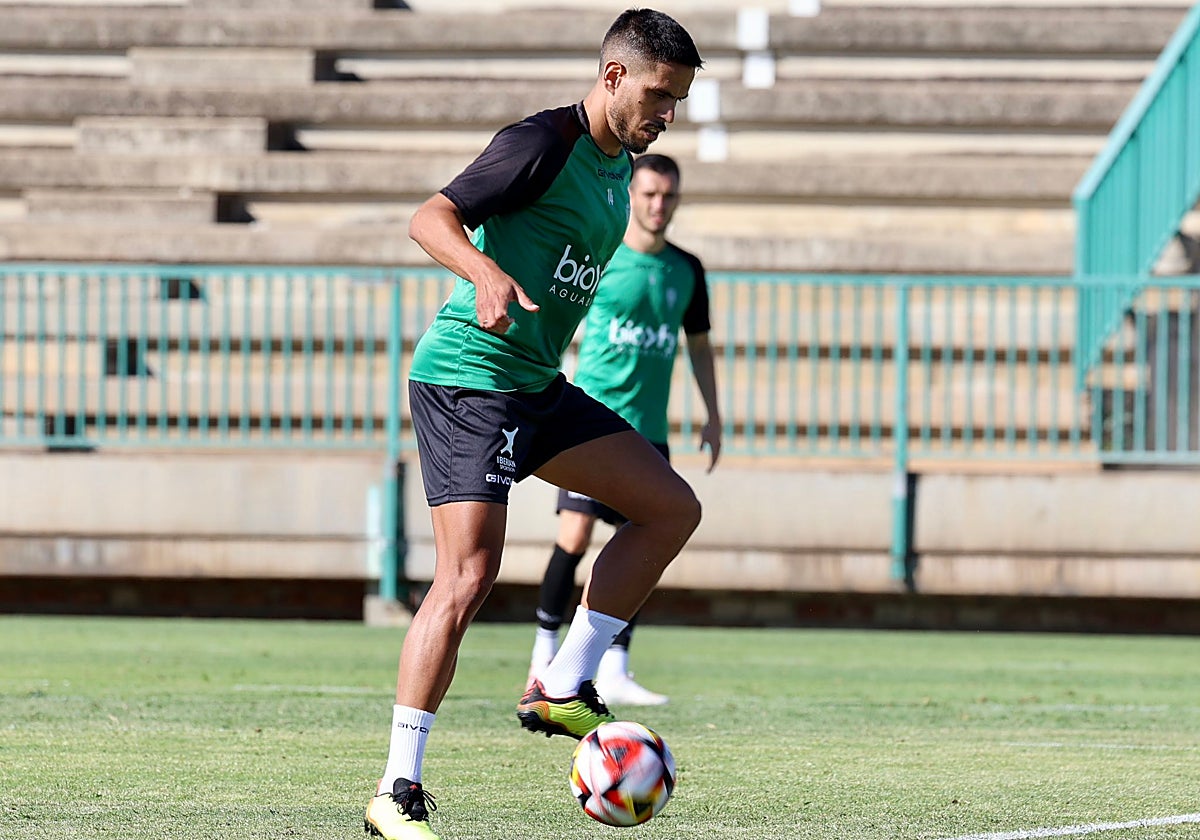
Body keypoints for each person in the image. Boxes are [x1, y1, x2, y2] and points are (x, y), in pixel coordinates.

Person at [363, 9, 704, 840]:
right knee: (467, 577)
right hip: (468, 382)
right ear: (614, 76)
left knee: (671, 507)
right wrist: (482, 272)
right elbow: (430, 216)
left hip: (536, 385)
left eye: (680, 102)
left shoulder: (620, 166)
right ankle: (395, 791)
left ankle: (561, 684)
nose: (668, 114)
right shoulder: (541, 142)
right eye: (660, 94)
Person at [527, 153, 721, 707]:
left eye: (669, 196)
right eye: (650, 194)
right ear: (632, 196)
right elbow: (559, 321)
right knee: (574, 537)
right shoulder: (604, 258)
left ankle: (612, 666)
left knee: (641, 545)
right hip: (589, 426)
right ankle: (543, 655)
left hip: (648, 432)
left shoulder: (687, 270)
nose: (659, 206)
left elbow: (699, 347)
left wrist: (713, 414)